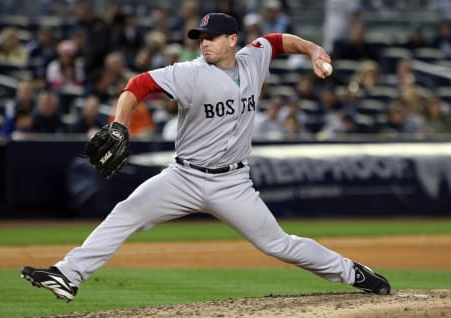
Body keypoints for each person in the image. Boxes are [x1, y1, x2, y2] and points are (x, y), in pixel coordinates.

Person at [21, 12, 390, 302]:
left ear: (233, 40)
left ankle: (352, 272)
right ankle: (68, 275)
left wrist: (312, 49)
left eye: (211, 37)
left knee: (278, 244)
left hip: (233, 182)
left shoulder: (254, 58)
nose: (204, 44)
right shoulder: (189, 73)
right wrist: (120, 125)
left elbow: (278, 41)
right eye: (200, 38)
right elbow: (137, 86)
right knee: (127, 212)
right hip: (184, 177)